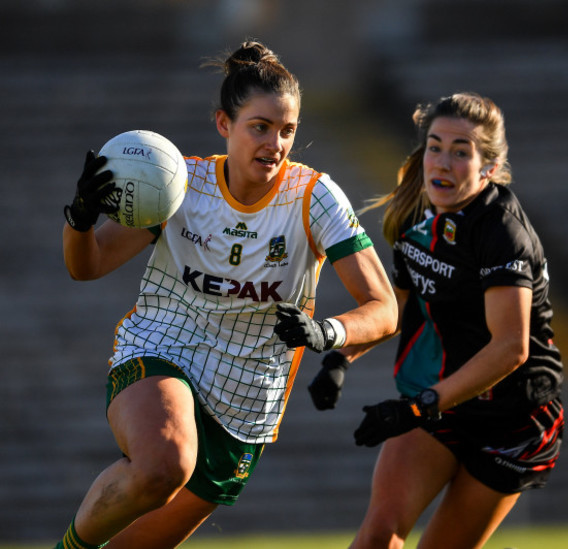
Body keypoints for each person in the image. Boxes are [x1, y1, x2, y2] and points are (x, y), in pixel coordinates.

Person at [55, 40, 397, 549]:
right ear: (224, 124)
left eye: (287, 131)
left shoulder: (313, 197)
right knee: (164, 462)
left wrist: (327, 331)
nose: (275, 144)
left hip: (245, 405)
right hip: (162, 351)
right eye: (259, 127)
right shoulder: (179, 185)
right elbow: (88, 265)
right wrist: (80, 219)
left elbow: (384, 307)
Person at [308, 92, 564, 548]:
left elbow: (511, 348)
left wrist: (420, 404)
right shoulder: (414, 212)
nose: (442, 162)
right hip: (439, 400)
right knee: (376, 538)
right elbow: (398, 307)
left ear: (489, 167)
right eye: (435, 146)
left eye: (461, 152)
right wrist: (340, 361)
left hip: (513, 420)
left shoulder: (502, 233)